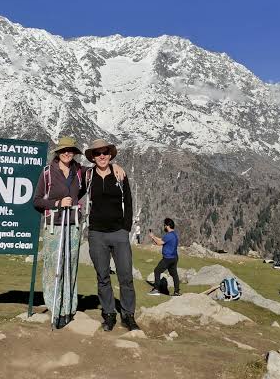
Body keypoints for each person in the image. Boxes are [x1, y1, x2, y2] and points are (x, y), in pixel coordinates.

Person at [32, 137, 126, 329]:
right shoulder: (48, 173)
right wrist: (57, 203)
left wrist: (116, 166)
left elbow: (100, 168)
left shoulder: (80, 171)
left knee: (70, 267)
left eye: (70, 150)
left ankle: (68, 308)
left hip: (73, 225)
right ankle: (55, 307)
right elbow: (37, 200)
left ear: (74, 152)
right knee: (53, 269)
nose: (67, 153)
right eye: (63, 150)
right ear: (58, 152)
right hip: (54, 225)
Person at [84, 139, 138, 332]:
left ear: (110, 154)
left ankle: (128, 315)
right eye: (97, 153)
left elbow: (129, 202)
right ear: (92, 156)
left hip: (119, 233)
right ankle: (109, 314)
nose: (101, 156)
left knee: (126, 276)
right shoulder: (87, 176)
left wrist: (126, 228)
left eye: (105, 152)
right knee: (103, 276)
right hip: (97, 234)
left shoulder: (120, 175)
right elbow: (71, 178)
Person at [147, 218, 181, 297]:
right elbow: (162, 240)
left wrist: (152, 237)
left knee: (157, 271)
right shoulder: (173, 234)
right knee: (174, 274)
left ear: (167, 226)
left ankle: (156, 289)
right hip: (174, 258)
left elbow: (159, 243)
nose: (164, 227)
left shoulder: (169, 235)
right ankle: (176, 292)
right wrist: (154, 236)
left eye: (165, 225)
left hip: (167, 258)